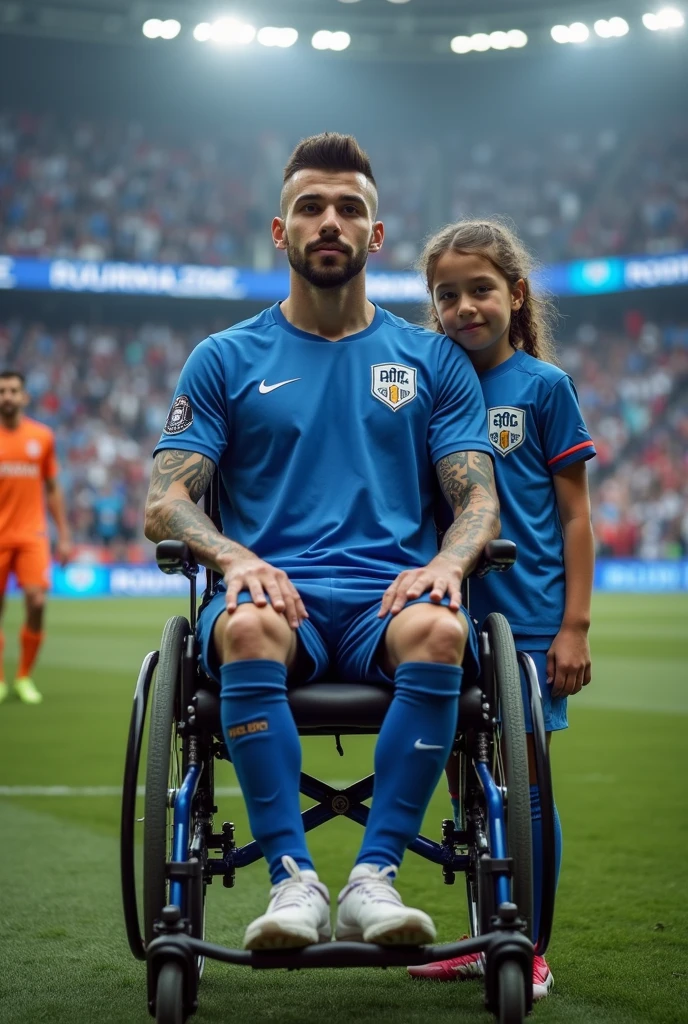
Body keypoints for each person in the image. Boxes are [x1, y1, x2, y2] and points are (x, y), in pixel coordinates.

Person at [144, 134, 500, 951]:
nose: (329, 221)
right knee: (244, 625)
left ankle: (373, 879)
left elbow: (478, 497)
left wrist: (447, 561)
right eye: (311, 206)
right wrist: (235, 558)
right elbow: (163, 501)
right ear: (282, 231)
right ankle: (292, 884)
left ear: (377, 237)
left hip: (390, 597)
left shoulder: (432, 360)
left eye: (350, 209)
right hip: (276, 598)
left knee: (446, 629)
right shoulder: (224, 359)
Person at [406, 220, 596, 999]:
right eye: (446, 295)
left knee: (522, 789)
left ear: (516, 295)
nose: (463, 307)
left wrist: (575, 626)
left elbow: (576, 516)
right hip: (443, 620)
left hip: (525, 623)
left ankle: (531, 944)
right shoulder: (423, 381)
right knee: (467, 789)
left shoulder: (544, 388)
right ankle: (489, 936)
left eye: (480, 289)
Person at [0, 370, 72, 704]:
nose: (8, 396)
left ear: (25, 396)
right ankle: (1, 679)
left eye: (14, 390)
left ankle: (24, 676)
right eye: (2, 391)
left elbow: (53, 487)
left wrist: (65, 535)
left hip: (32, 533)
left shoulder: (41, 437)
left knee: (37, 602)